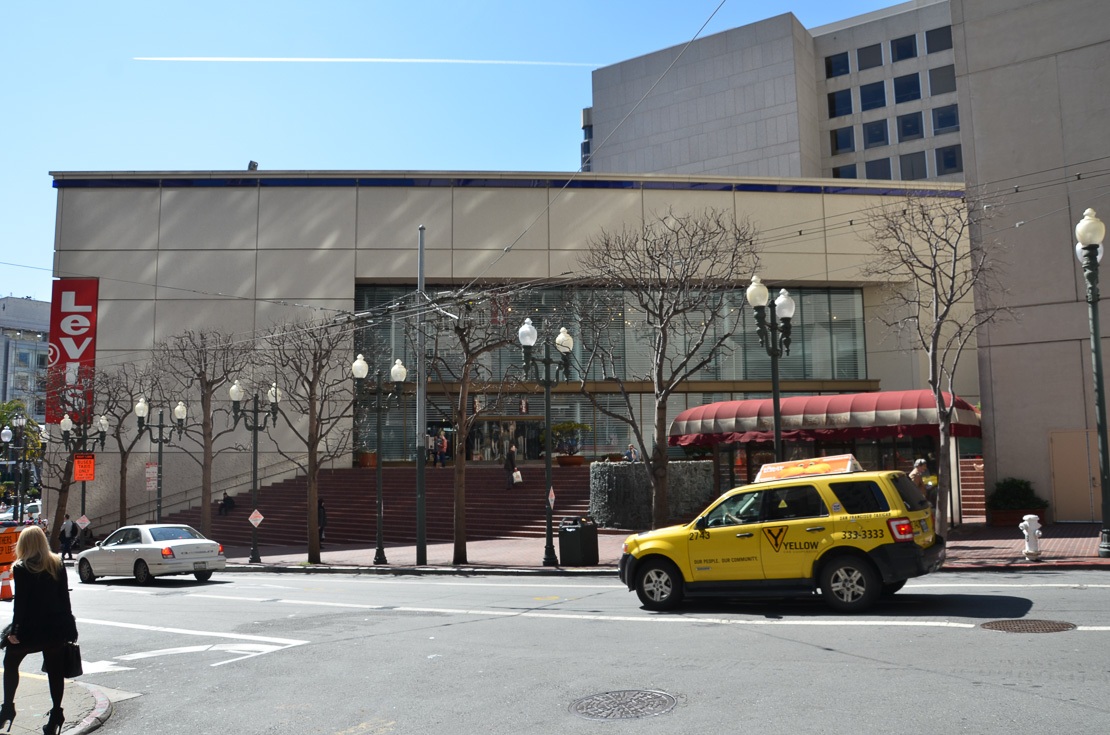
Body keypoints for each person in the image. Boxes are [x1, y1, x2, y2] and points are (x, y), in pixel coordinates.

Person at [1, 525, 78, 735]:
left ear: (24, 544)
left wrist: (14, 631)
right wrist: (69, 626)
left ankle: (7, 708)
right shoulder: (56, 564)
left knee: (10, 662)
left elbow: (21, 605)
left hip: (31, 629)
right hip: (55, 628)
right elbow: (65, 599)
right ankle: (56, 715)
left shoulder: (21, 567)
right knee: (56, 671)